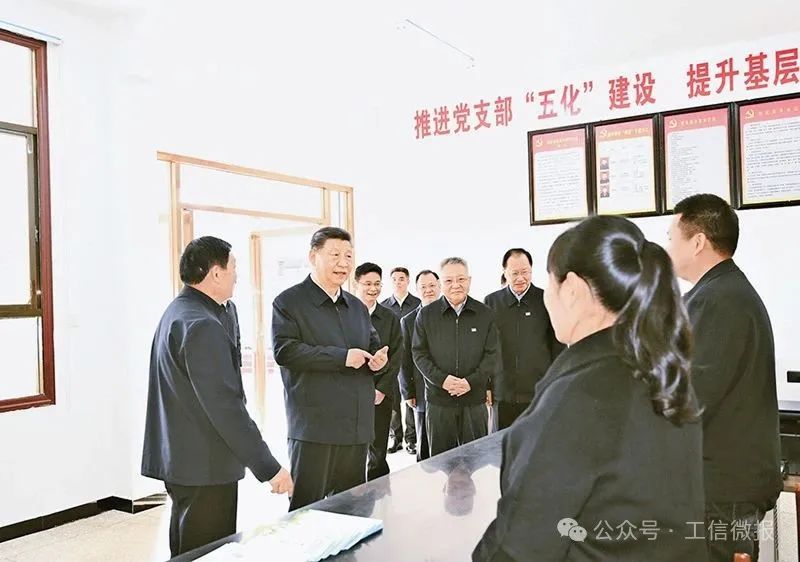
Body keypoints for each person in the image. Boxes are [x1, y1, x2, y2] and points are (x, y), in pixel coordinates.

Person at [474, 216, 706, 561]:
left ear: (571, 290)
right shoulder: (658, 368)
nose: (547, 298)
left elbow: (520, 545)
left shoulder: (578, 396)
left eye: (549, 284)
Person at [141, 236, 292, 557]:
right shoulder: (202, 325)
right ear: (216, 273)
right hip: (204, 464)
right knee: (208, 551)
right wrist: (269, 468)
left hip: (183, 459)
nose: (237, 274)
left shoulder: (180, 311)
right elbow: (225, 407)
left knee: (187, 548)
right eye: (233, 267)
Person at [668, 194, 781, 561]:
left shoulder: (718, 300)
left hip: (721, 491)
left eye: (672, 237)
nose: (667, 247)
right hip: (722, 488)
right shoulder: (722, 292)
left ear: (698, 241)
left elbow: (692, 396)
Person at [272, 227, 389, 511]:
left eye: (348, 256)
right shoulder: (289, 302)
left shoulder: (356, 306)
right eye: (335, 255)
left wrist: (378, 359)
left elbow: (372, 344)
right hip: (315, 429)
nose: (343, 263)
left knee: (353, 511)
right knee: (307, 512)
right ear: (313, 256)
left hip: (355, 427)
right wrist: (342, 357)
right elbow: (285, 351)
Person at [412, 257, 498, 457]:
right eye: (449, 280)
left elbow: (492, 355)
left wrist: (470, 382)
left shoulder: (485, 313)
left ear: (469, 280)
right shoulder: (426, 315)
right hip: (439, 401)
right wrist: (442, 380)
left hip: (474, 400)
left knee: (476, 460)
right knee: (441, 462)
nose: (455, 285)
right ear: (441, 283)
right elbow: (419, 353)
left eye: (461, 279)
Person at [485, 248, 563, 430]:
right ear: (505, 272)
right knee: (501, 443)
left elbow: (558, 346)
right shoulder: (491, 302)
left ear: (531, 271)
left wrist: (556, 383)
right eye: (515, 273)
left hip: (539, 391)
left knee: (536, 440)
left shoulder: (545, 299)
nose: (520, 278)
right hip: (502, 392)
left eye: (525, 272)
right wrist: (487, 385)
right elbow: (485, 348)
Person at [354, 262, 403, 480]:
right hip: (352, 393)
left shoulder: (390, 317)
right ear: (356, 284)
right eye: (367, 284)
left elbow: (396, 355)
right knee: (353, 449)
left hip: (381, 394)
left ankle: (379, 491)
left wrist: (381, 389)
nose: (373, 288)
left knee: (378, 449)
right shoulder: (346, 314)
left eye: (377, 284)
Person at [398, 269, 441, 461]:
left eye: (432, 285)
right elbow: (404, 360)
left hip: (449, 393)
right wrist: (408, 392)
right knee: (424, 445)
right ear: (416, 290)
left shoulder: (452, 315)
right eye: (423, 287)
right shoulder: (408, 321)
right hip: (421, 392)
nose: (428, 290)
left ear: (439, 286)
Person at [382, 267, 421, 455]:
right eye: (395, 279)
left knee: (410, 398)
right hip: (391, 360)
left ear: (408, 281)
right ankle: (395, 437)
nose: (398, 282)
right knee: (393, 399)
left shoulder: (417, 304)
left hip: (411, 359)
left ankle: (411, 439)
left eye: (401, 279)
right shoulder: (384, 306)